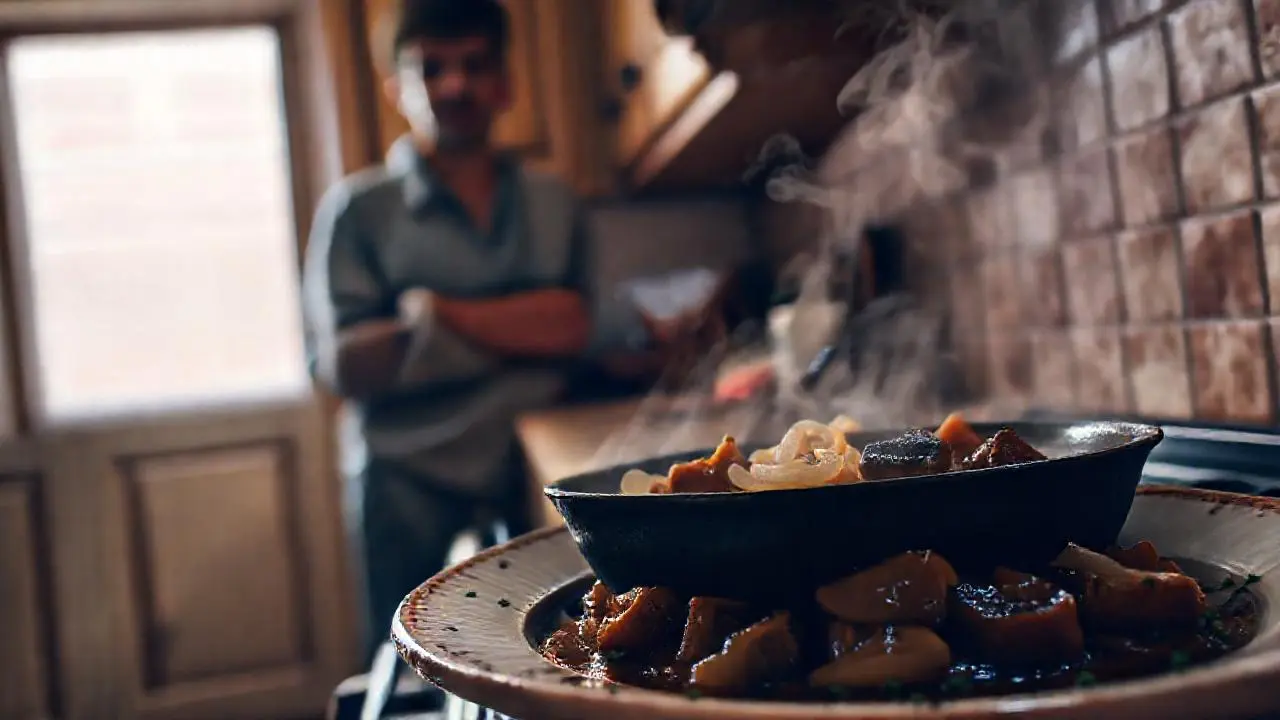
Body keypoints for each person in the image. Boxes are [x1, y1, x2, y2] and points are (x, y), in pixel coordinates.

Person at [301, 0, 683, 657]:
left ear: (504, 83)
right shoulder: (357, 211)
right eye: (431, 69)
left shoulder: (553, 200)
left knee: (534, 651)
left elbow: (573, 326)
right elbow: (346, 366)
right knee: (404, 658)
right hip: (404, 478)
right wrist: (524, 326)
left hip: (528, 464)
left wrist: (434, 317)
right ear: (398, 89)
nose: (455, 85)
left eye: (475, 65)